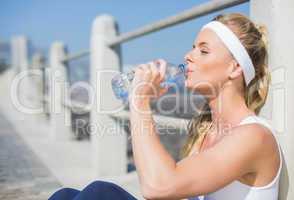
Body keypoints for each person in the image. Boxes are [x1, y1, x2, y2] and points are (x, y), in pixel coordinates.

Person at [49, 13, 281, 200]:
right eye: (192, 47)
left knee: (99, 193)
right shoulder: (206, 130)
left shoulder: (254, 136)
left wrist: (139, 101)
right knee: (67, 195)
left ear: (234, 68)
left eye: (203, 50)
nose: (188, 56)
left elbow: (158, 186)